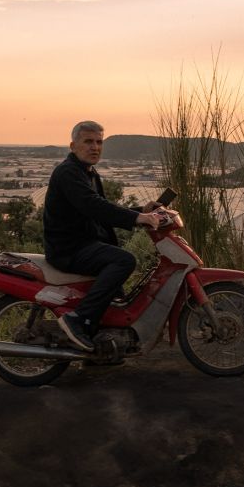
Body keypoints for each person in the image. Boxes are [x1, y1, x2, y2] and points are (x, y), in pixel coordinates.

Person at [43, 120, 162, 351]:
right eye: (88, 141)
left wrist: (141, 211)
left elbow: (102, 208)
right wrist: (136, 219)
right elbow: (92, 205)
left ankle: (103, 344)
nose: (94, 147)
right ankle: (78, 319)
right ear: (72, 145)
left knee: (116, 293)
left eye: (99, 142)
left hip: (84, 244)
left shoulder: (88, 172)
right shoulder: (68, 173)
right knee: (124, 260)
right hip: (69, 249)